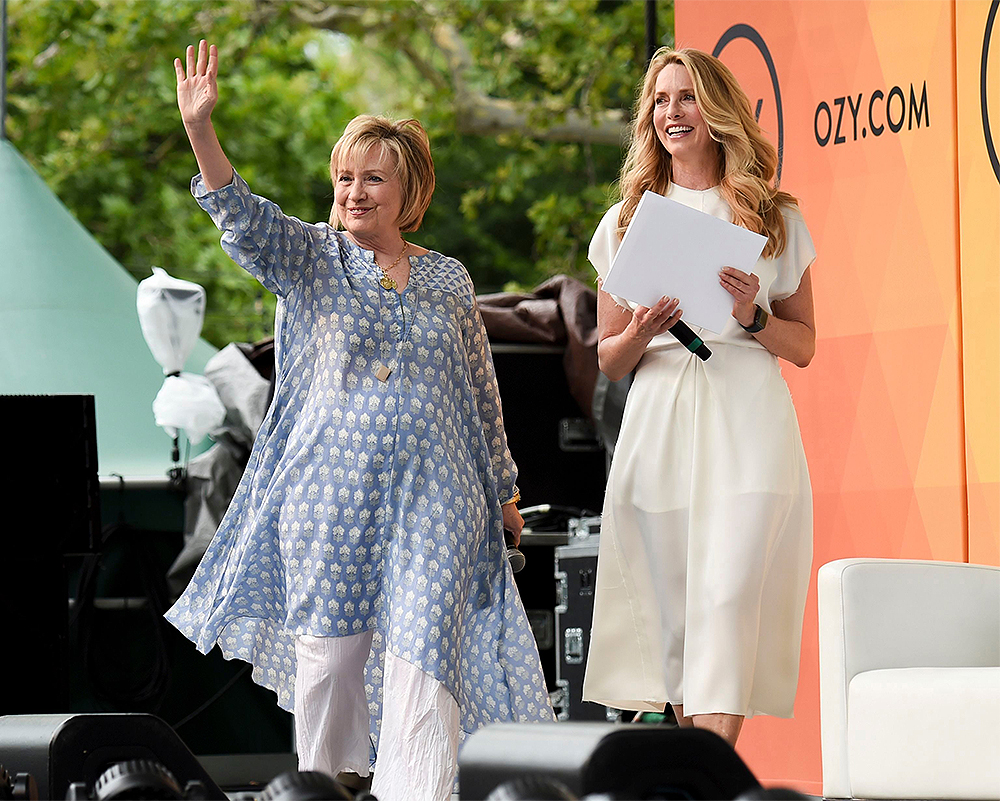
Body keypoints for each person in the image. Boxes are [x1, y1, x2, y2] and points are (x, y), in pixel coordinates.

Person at [164, 40, 554, 800]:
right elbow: (243, 220)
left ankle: (419, 793)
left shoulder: (448, 278)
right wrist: (202, 134)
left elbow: (481, 391)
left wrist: (503, 489)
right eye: (345, 177)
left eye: (373, 177)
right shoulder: (310, 259)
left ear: (410, 192)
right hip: (329, 501)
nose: (354, 191)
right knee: (332, 666)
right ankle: (327, 789)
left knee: (424, 659)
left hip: (437, 502)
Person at [582, 47, 817, 748]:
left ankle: (709, 772)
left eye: (686, 98)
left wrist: (753, 316)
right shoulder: (625, 221)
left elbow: (803, 344)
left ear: (716, 112)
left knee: (729, 598)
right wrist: (643, 327)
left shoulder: (773, 216)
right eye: (660, 100)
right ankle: (703, 776)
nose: (672, 112)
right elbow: (608, 356)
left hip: (748, 425)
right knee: (680, 623)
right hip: (659, 426)